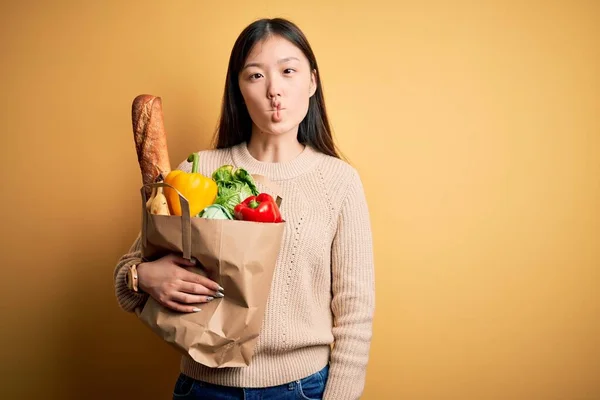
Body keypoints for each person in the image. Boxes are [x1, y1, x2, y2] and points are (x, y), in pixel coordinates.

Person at [113, 17, 375, 400]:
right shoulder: (196, 171)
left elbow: (355, 314)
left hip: (302, 390)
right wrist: (143, 277)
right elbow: (125, 277)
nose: (274, 91)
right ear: (238, 89)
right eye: (255, 76)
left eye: (288, 71)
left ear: (312, 82)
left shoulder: (340, 181)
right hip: (202, 389)